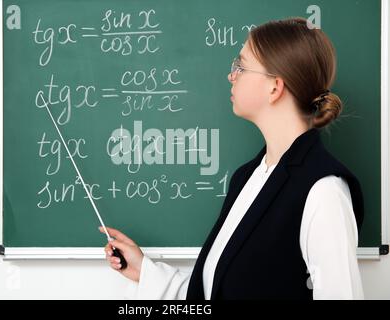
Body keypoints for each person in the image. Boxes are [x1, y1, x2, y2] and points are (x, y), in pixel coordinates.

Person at [99, 17, 365, 300]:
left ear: (274, 87)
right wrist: (145, 272)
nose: (231, 75)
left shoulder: (324, 191)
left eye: (240, 66)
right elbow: (223, 287)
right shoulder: (248, 177)